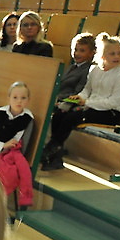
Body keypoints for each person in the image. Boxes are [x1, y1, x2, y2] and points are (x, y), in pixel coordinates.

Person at [42, 32, 120, 170]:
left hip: (110, 113)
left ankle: (51, 150)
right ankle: (55, 153)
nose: (117, 57)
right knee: (60, 112)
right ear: (102, 55)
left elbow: (114, 102)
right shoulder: (95, 69)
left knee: (73, 116)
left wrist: (86, 103)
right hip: (91, 107)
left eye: (119, 53)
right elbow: (87, 90)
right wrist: (80, 97)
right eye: (112, 54)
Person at [40, 33, 95, 167]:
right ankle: (53, 154)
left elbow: (78, 92)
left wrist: (59, 100)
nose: (77, 53)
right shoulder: (72, 67)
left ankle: (50, 148)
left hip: (69, 102)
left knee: (54, 115)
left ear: (91, 53)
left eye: (82, 50)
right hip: (59, 99)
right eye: (75, 50)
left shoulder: (88, 70)